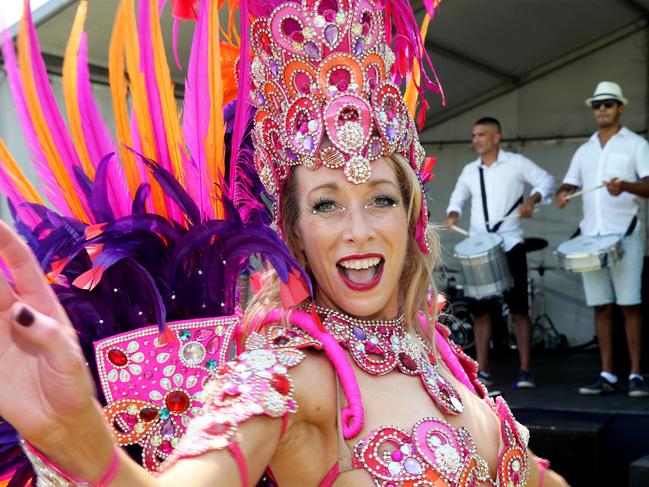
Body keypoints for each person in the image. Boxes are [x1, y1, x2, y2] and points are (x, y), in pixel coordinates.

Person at [0, 0, 569, 486]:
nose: (360, 229)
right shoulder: (288, 374)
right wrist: (75, 438)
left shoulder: (443, 355)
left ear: (413, 215)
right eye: (326, 203)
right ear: (293, 233)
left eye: (380, 198)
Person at [443, 118, 555, 390]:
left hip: (510, 243)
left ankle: (526, 369)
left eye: (481, 134)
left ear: (496, 138)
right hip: (480, 246)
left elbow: (546, 180)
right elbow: (457, 198)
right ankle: (483, 371)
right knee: (481, 312)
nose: (475, 140)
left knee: (519, 310)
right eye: (473, 135)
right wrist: (453, 214)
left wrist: (532, 199)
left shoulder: (516, 163)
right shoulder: (470, 170)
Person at [555, 81, 649, 398]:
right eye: (597, 104)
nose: (602, 109)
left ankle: (636, 373)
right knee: (601, 307)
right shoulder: (585, 150)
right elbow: (568, 184)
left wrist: (626, 187)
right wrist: (563, 194)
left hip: (625, 235)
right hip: (591, 239)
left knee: (630, 306)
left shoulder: (635, 144)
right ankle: (607, 373)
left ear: (620, 107)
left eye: (608, 103)